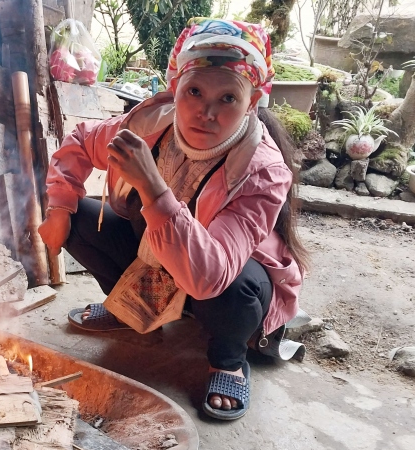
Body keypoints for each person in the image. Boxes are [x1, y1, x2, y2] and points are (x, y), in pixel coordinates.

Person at [38, 18, 310, 420]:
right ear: (175, 88)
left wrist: (152, 186)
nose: (206, 113)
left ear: (251, 102)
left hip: (219, 283)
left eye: (228, 99)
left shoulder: (263, 171)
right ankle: (127, 310)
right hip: (159, 253)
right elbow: (79, 141)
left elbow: (208, 276)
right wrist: (59, 207)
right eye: (195, 91)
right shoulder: (151, 124)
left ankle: (228, 360)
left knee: (239, 289)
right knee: (77, 220)